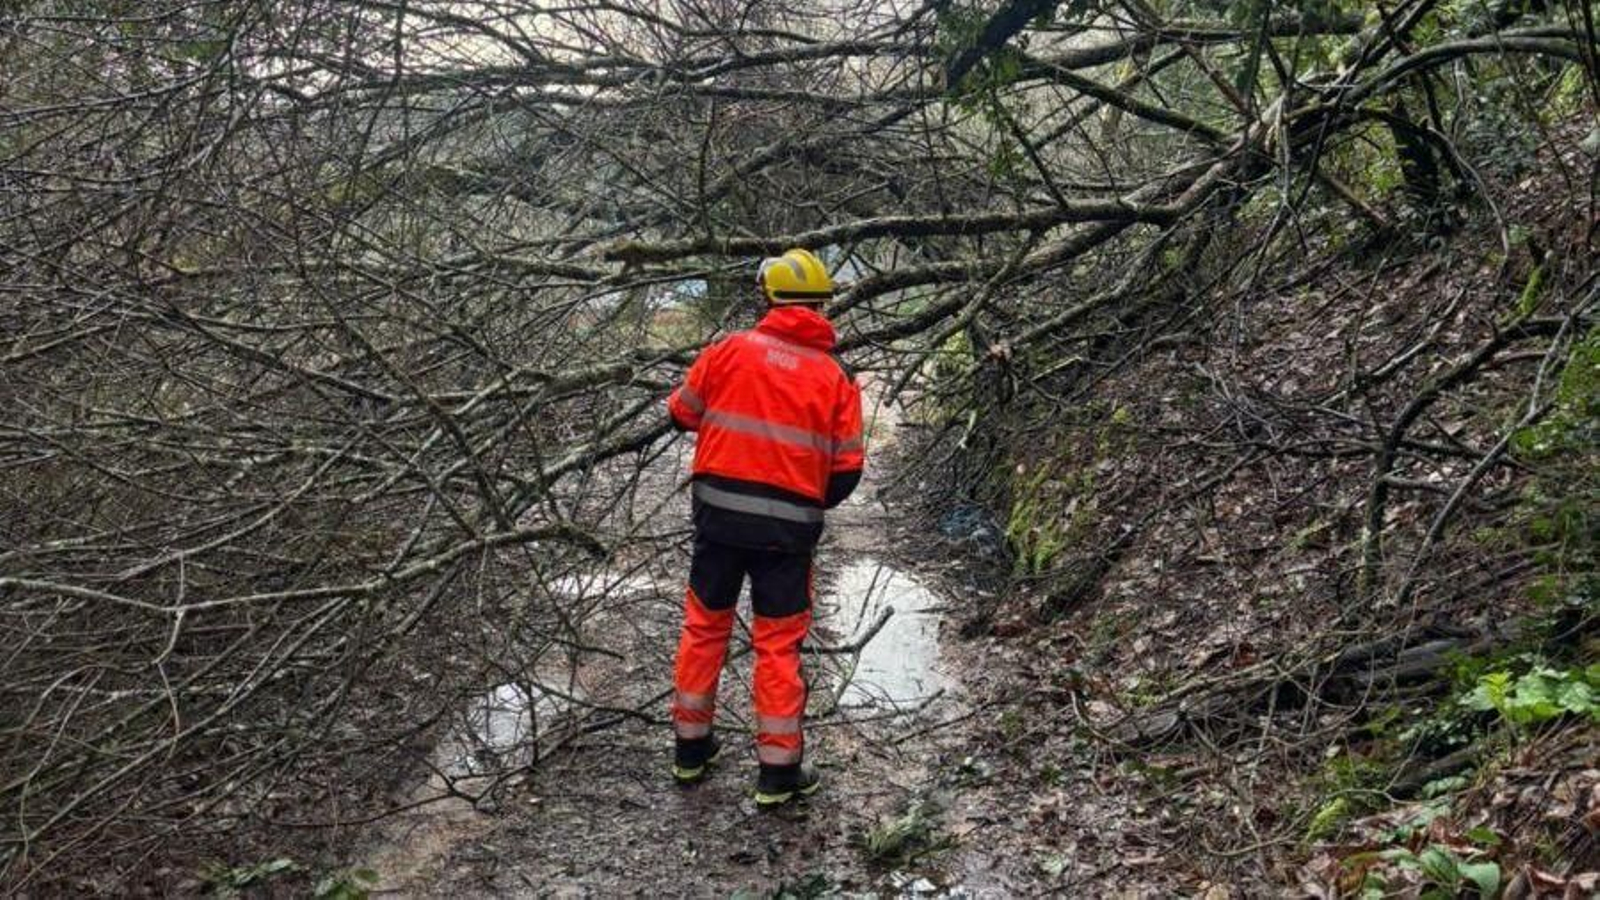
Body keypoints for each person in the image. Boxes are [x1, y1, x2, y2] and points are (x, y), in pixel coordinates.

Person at [665, 248, 864, 808]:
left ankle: (690, 750)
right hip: (788, 535)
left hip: (718, 520)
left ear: (767, 297)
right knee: (778, 646)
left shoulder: (726, 349)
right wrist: (802, 501)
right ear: (823, 305)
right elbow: (847, 470)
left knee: (705, 627)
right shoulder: (835, 376)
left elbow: (681, 413)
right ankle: (777, 775)